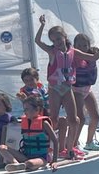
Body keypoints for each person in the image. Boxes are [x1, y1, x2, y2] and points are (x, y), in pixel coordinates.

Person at [35, 14, 82, 159]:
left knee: (73, 119)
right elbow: (37, 41)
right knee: (54, 118)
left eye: (58, 39)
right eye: (53, 40)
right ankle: (51, 147)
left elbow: (92, 58)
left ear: (64, 37)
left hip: (67, 88)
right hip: (54, 88)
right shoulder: (52, 51)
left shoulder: (72, 51)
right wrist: (42, 25)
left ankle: (70, 148)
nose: (56, 42)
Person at [72, 26, 99, 151]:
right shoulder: (74, 55)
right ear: (74, 46)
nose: (81, 48)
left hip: (87, 89)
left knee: (95, 117)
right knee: (81, 118)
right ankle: (73, 145)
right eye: (78, 45)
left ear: (88, 46)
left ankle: (89, 142)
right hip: (76, 90)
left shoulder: (92, 53)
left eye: (84, 45)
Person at [0, 95, 58, 170]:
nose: (25, 112)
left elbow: (55, 141)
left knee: (30, 163)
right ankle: (16, 164)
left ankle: (22, 165)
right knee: (1, 148)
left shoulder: (44, 123)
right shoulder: (24, 122)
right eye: (24, 109)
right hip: (25, 156)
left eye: (27, 109)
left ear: (37, 109)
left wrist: (54, 161)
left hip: (41, 158)